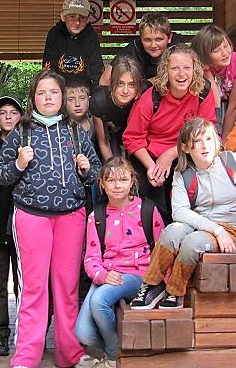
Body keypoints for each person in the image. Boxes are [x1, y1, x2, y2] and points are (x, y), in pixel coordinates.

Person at [0, 70, 102, 368]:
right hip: (31, 216)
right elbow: (0, 174)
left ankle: (69, 354)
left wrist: (85, 169)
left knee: (67, 288)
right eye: (41, 93)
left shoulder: (76, 132)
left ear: (62, 96)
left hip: (71, 216)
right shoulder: (21, 132)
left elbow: (96, 172)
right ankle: (27, 355)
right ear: (33, 98)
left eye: (53, 92)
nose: (48, 98)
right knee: (34, 288)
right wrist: (18, 163)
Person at [130, 118, 236, 310]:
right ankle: (152, 285)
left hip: (233, 230)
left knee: (192, 242)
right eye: (197, 141)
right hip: (204, 227)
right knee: (172, 231)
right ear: (185, 147)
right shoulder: (183, 174)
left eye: (209, 139)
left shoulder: (232, 161)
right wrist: (216, 230)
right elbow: (179, 212)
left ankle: (175, 291)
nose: (205, 145)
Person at [75, 157, 165, 367]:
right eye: (111, 180)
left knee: (99, 301)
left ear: (132, 181)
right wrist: (103, 276)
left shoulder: (147, 209)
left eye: (123, 180)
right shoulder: (97, 216)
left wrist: (163, 283)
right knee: (83, 333)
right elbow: (91, 258)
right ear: (102, 183)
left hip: (138, 274)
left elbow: (163, 250)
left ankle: (115, 356)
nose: (117, 186)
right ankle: (114, 350)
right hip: (108, 275)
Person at [122, 43, 215, 223]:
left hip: (188, 152)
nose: (181, 74)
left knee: (189, 199)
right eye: (175, 68)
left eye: (187, 68)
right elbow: (132, 137)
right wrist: (151, 167)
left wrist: (171, 154)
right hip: (150, 156)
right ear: (165, 71)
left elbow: (205, 131)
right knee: (156, 207)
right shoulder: (151, 98)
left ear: (194, 69)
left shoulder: (203, 92)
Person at [0, 95, 23, 357]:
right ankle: (0, 334)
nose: (8, 117)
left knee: (24, 284)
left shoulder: (29, 143)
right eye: (3, 113)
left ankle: (25, 332)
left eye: (13, 112)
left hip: (22, 224)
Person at [191, 24, 236, 140]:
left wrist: (224, 141)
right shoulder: (197, 66)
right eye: (216, 50)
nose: (225, 53)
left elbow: (233, 107)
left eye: (226, 46)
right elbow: (216, 102)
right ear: (205, 54)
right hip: (210, 105)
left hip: (234, 107)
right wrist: (207, 72)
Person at [100, 12, 185, 86]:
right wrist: (142, 84)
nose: (153, 45)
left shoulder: (179, 49)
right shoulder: (133, 49)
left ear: (169, 38)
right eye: (147, 40)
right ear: (141, 39)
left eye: (159, 39)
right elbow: (104, 81)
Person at [43, 0, 104, 88]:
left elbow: (96, 69)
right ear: (63, 16)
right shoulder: (54, 34)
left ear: (88, 19)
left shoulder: (92, 37)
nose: (77, 22)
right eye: (72, 17)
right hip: (59, 89)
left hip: (84, 90)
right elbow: (49, 68)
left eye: (82, 17)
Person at [91, 56, 145, 161]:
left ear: (138, 86)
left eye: (131, 85)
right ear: (111, 82)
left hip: (134, 139)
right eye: (120, 83)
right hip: (109, 133)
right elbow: (103, 142)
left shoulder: (144, 96)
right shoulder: (99, 101)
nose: (125, 91)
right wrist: (113, 167)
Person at [65, 77, 96, 144]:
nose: (77, 104)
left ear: (89, 100)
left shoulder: (96, 122)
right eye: (71, 99)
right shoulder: (61, 127)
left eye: (82, 98)